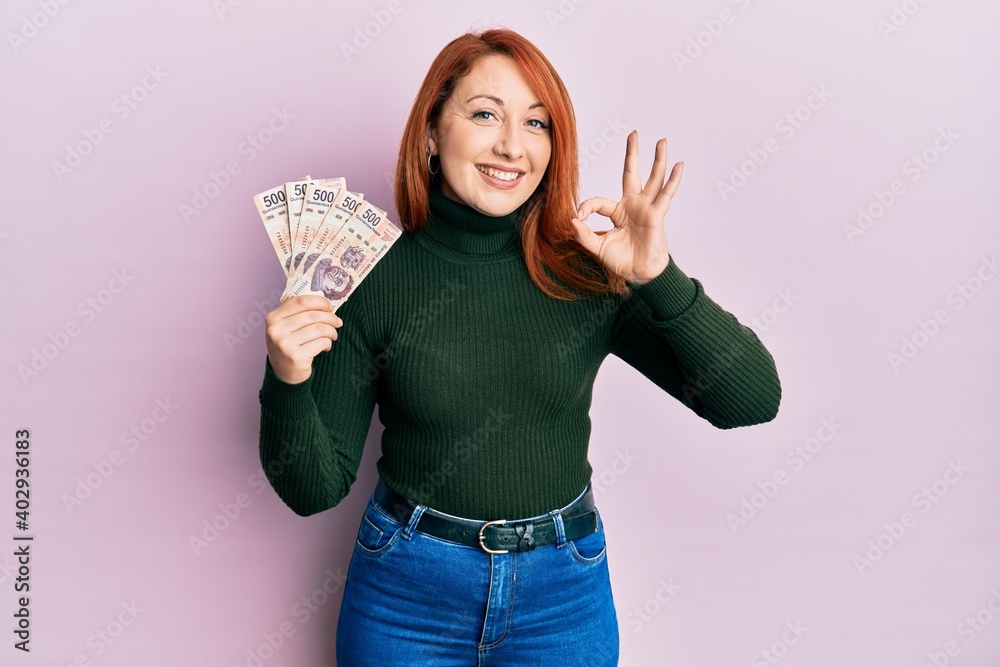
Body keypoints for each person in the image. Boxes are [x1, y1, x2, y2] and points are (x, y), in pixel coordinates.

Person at [258, 27, 781, 666]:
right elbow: (311, 490)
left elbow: (750, 400)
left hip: (562, 597)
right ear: (430, 131)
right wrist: (286, 377)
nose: (512, 145)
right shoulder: (369, 277)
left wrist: (656, 276)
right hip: (406, 595)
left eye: (537, 124)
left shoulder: (586, 273)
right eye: (485, 115)